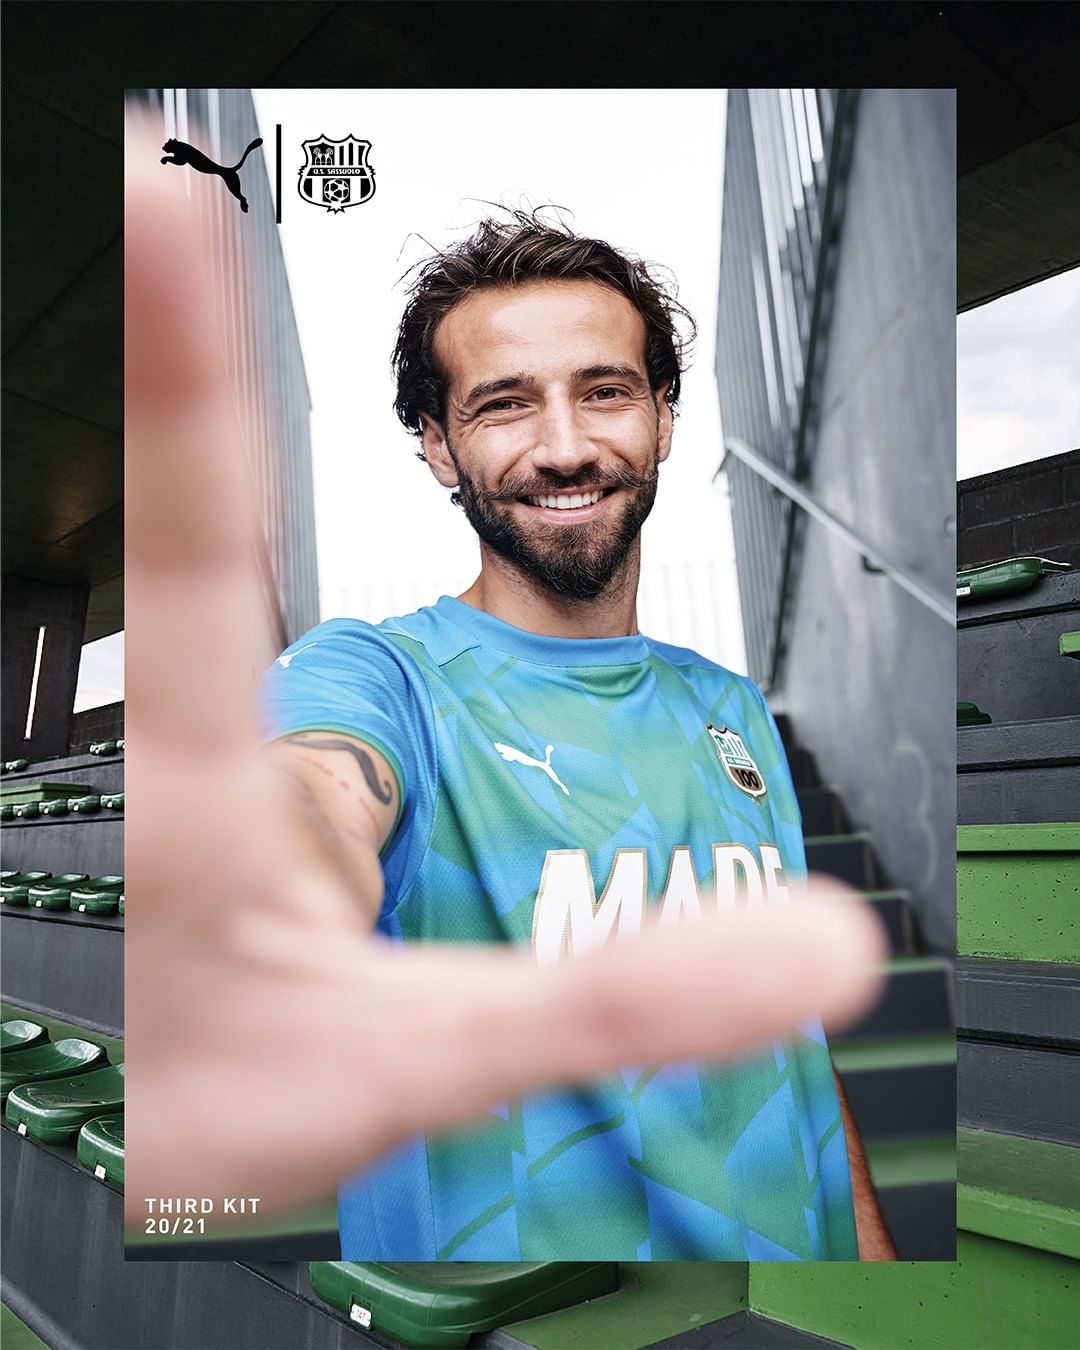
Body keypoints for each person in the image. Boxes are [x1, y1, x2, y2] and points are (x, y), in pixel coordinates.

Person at [124, 117, 889, 1257]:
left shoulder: (732, 708)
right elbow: (319, 787)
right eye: (505, 403)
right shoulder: (378, 671)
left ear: (664, 417)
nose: (566, 446)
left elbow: (798, 1043)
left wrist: (868, 1254)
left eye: (606, 391)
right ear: (437, 445)